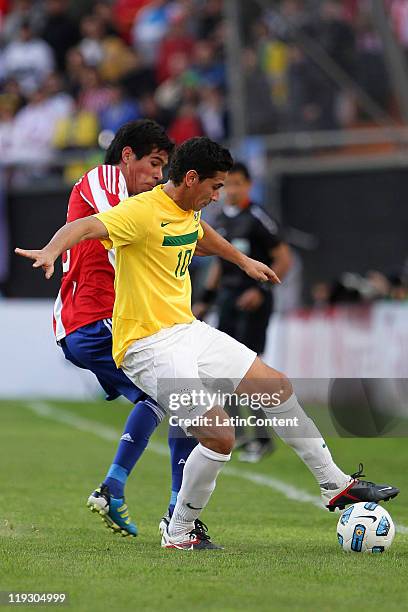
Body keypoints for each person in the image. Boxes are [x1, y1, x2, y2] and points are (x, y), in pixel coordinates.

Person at [16, 137, 400, 551]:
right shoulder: (140, 212)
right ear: (192, 178)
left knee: (276, 387)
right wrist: (53, 250)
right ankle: (179, 531)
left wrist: (243, 260)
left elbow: (200, 235)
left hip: (186, 330)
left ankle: (335, 486)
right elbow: (86, 226)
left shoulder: (186, 210)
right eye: (215, 187)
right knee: (220, 436)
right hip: (147, 346)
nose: (218, 196)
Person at [193, 161, 292, 462]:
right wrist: (205, 300)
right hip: (227, 301)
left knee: (247, 371)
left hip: (253, 302)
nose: (231, 191)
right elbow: (220, 267)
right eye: (226, 185)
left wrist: (260, 290)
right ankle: (234, 435)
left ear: (248, 185)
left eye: (237, 184)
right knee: (222, 372)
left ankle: (262, 439)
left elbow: (284, 259)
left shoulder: (258, 218)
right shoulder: (220, 218)